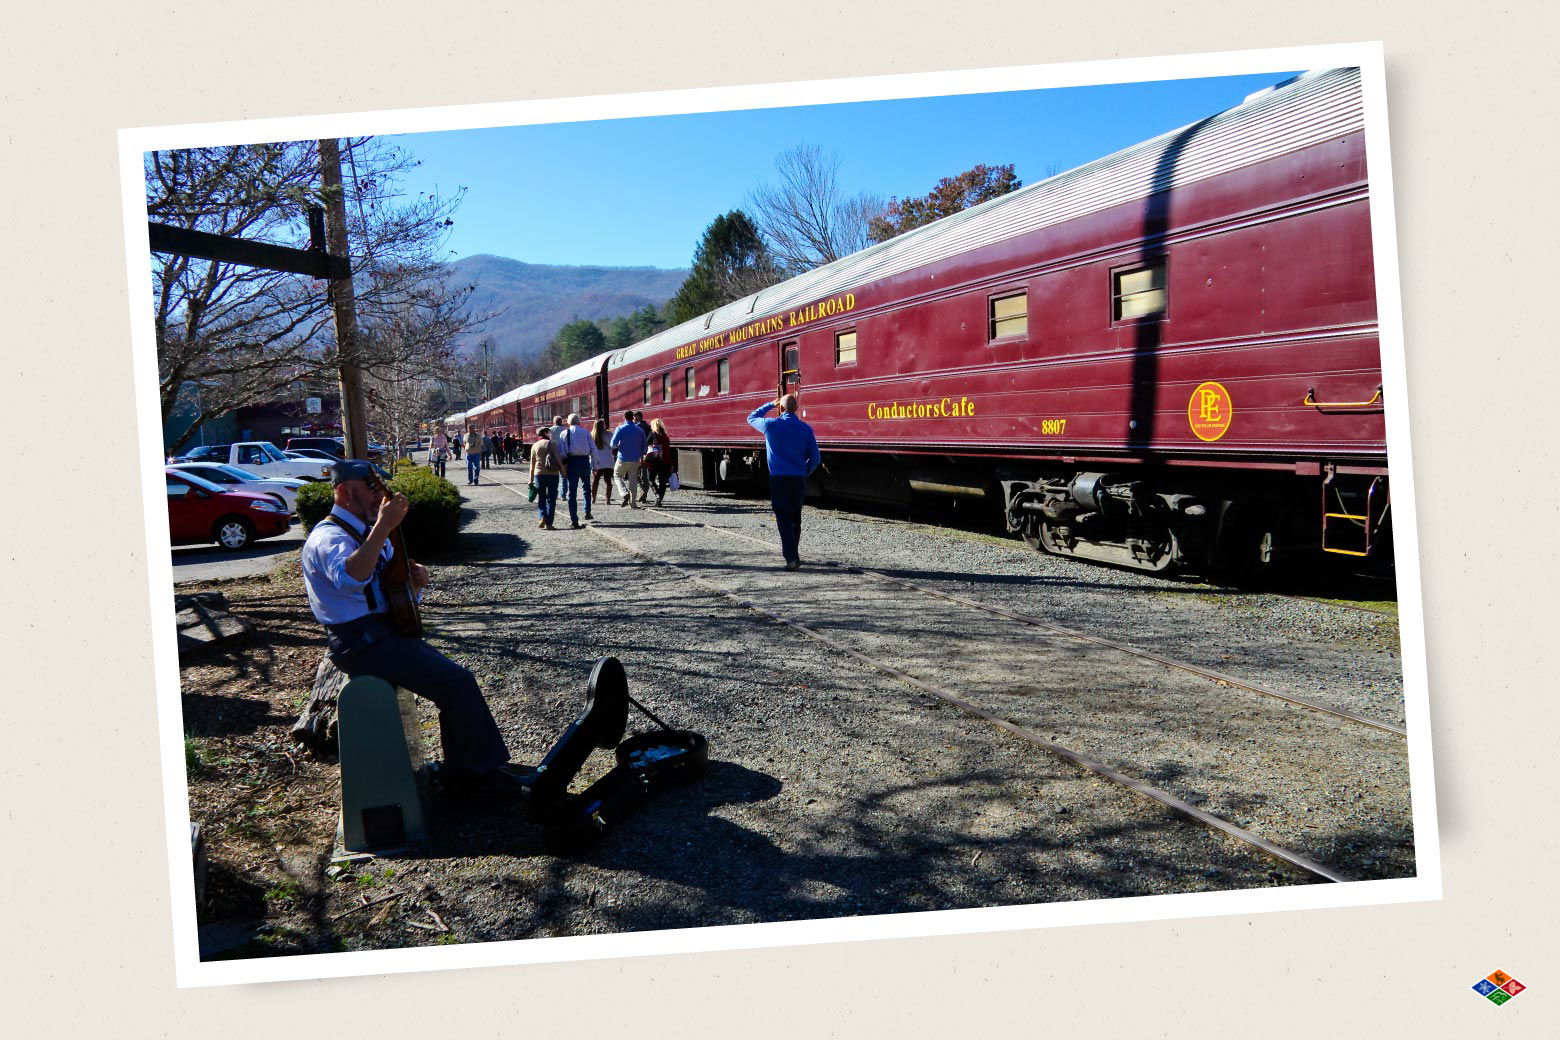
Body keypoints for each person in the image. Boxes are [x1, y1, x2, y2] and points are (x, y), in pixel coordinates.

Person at [301, 460, 526, 799]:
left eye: (380, 487)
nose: (381, 496)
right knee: (456, 682)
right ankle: (475, 778)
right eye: (372, 488)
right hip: (359, 642)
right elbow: (351, 577)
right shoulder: (328, 537)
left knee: (454, 682)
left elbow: (388, 589)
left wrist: (414, 582)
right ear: (346, 492)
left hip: (383, 633)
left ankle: (470, 771)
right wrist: (383, 526)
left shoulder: (369, 531)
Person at [747, 394, 820, 571]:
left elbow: (751, 418)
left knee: (783, 519)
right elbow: (816, 458)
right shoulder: (806, 428)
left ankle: (791, 557)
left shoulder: (770, 425)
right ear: (796, 408)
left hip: (779, 479)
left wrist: (770, 404)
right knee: (796, 517)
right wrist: (805, 472)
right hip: (798, 479)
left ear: (781, 408)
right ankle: (793, 553)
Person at [557, 412, 594, 528]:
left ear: (568, 422)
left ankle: (574, 519)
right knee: (587, 488)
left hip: (572, 462)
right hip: (584, 461)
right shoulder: (586, 432)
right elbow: (593, 448)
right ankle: (587, 511)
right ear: (579, 421)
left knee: (572, 492)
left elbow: (562, 452)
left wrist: (564, 465)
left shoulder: (564, 433)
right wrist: (594, 465)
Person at [608, 410, 648, 509]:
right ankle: (633, 503)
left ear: (624, 417)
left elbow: (613, 444)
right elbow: (645, 447)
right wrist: (641, 455)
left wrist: (619, 445)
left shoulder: (620, 428)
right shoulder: (640, 430)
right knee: (633, 481)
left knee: (617, 475)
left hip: (622, 458)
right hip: (635, 459)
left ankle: (624, 493)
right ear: (633, 417)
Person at [529, 425, 562, 529]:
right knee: (552, 499)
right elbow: (558, 459)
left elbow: (532, 464)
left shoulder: (534, 446)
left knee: (542, 497)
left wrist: (530, 479)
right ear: (546, 433)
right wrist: (563, 471)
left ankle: (542, 516)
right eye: (550, 432)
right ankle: (549, 523)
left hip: (539, 474)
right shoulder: (553, 444)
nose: (551, 434)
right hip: (553, 474)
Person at [645, 418, 678, 507]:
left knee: (651, 479)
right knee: (662, 481)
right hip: (665, 460)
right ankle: (659, 500)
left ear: (653, 426)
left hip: (654, 460)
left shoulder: (652, 434)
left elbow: (646, 445)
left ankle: (657, 495)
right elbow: (667, 447)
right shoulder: (666, 436)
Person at [588, 418, 616, 511]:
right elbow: (614, 445)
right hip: (608, 460)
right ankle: (608, 500)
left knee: (595, 481)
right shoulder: (608, 434)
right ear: (603, 425)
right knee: (608, 481)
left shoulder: (591, 436)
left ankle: (593, 499)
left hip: (597, 461)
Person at [633, 411, 654, 502]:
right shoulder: (649, 427)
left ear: (637, 417)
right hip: (647, 454)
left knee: (634, 475)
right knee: (645, 476)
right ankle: (644, 494)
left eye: (634, 417)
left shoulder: (636, 427)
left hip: (636, 454)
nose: (633, 419)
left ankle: (642, 491)